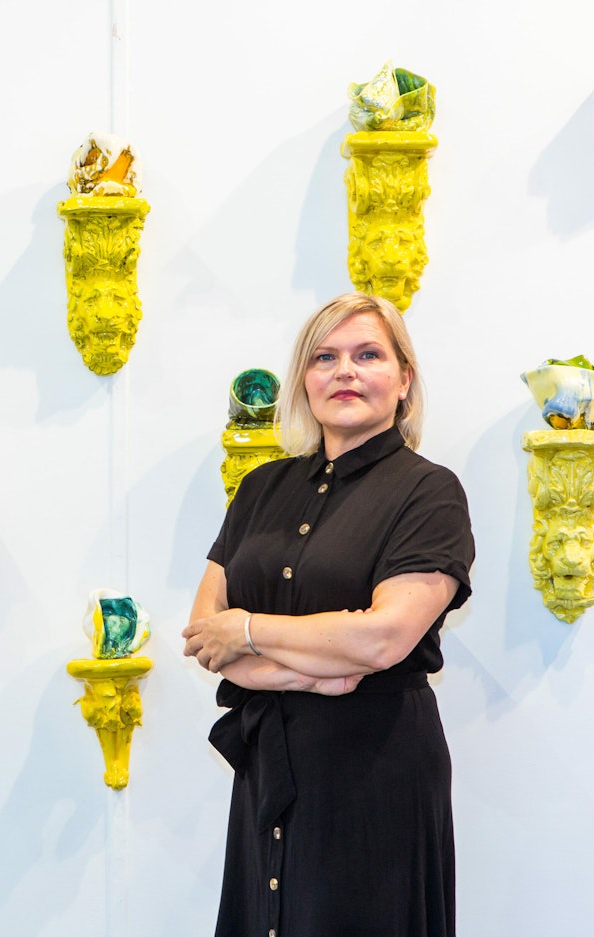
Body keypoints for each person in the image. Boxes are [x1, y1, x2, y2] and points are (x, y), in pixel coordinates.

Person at [182, 292, 475, 937]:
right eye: (324, 357)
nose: (345, 371)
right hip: (269, 765)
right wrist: (311, 673)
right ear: (304, 380)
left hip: (376, 769)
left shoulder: (429, 491)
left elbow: (383, 638)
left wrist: (250, 631)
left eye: (368, 355)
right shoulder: (260, 487)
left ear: (404, 379)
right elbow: (206, 632)